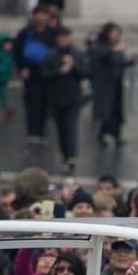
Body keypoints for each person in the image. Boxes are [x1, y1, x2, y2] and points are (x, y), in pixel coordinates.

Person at [13, 4, 59, 144]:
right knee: (32, 102)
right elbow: (17, 51)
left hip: (48, 73)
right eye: (39, 14)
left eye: (44, 15)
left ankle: (42, 131)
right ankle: (33, 132)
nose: (41, 17)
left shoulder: (53, 33)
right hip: (31, 73)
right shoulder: (25, 33)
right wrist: (22, 68)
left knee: (47, 102)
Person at [45, 28, 88, 174]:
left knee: (70, 126)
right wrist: (59, 71)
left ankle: (72, 155)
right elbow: (44, 74)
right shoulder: (51, 54)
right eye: (61, 37)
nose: (63, 40)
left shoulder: (76, 54)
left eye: (65, 37)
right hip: (56, 97)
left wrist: (73, 66)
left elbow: (85, 72)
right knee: (61, 128)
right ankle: (65, 154)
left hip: (73, 97)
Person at [92, 22, 134, 148]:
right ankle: (103, 134)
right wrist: (115, 49)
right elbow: (103, 55)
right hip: (106, 83)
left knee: (116, 110)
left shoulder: (115, 47)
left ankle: (116, 134)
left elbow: (120, 62)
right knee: (107, 110)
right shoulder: (102, 46)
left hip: (117, 81)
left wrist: (130, 61)